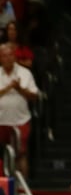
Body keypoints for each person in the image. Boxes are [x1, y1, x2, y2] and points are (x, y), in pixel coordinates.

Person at [0, 43, 39, 177]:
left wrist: (19, 89)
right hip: (1, 121)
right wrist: (8, 88)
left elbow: (34, 96)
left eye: (10, 55)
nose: (8, 58)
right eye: (4, 56)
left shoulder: (25, 73)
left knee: (21, 154)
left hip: (20, 120)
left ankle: (22, 189)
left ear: (14, 56)